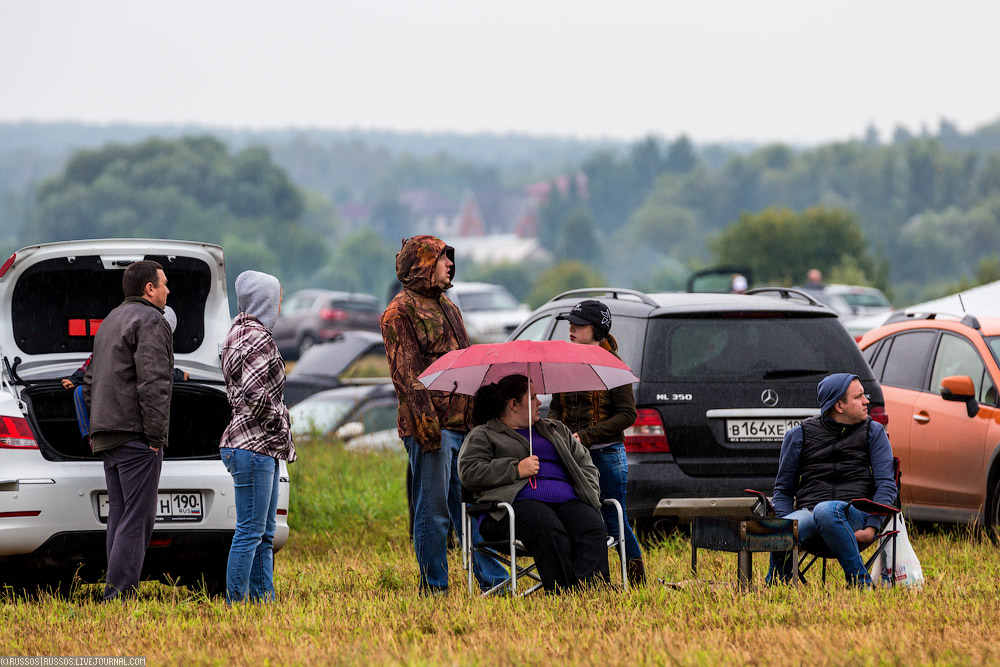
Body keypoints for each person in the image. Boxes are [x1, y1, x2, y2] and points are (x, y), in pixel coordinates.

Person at [379, 235, 508, 595]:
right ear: (422, 265)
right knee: (433, 514)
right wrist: (427, 430)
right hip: (430, 430)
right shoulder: (398, 312)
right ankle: (435, 587)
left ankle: (494, 581)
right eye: (441, 259)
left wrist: (482, 418)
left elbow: (467, 363)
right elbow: (407, 378)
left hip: (463, 427)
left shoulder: (450, 307)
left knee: (469, 509)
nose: (450, 265)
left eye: (449, 258)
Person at [458, 374, 611, 592]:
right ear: (513, 404)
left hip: (566, 502)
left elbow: (585, 462)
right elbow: (469, 472)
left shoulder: (555, 429)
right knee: (547, 525)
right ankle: (564, 592)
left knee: (590, 523)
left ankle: (592, 591)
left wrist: (588, 490)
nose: (539, 402)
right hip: (509, 510)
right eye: (532, 397)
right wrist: (515, 469)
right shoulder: (484, 434)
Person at [82, 260, 173, 600]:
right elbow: (154, 383)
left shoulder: (110, 321)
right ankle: (119, 596)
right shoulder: (150, 320)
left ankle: (114, 591)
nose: (167, 290)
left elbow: (88, 383)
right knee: (137, 519)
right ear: (149, 288)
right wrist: (155, 438)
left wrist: (100, 422)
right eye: (163, 284)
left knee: (120, 516)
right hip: (136, 437)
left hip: (106, 434)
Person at [767, 373, 895, 588]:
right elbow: (783, 490)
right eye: (859, 396)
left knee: (826, 510)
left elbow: (886, 484)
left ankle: (859, 582)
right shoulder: (799, 435)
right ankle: (780, 582)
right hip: (810, 516)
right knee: (793, 523)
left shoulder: (873, 432)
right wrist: (784, 522)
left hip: (855, 516)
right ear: (839, 406)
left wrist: (872, 527)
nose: (867, 401)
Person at [548, 299, 645, 585]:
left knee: (615, 519)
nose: (571, 330)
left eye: (578, 325)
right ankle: (591, 577)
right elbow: (557, 406)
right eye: (570, 324)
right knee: (582, 517)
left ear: (596, 330)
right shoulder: (564, 363)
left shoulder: (614, 365)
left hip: (607, 457)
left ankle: (638, 580)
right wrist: (554, 432)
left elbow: (628, 414)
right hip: (572, 457)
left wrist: (587, 436)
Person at [219, 270, 296, 604]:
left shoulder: (236, 332)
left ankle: (264, 600)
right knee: (251, 531)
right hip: (254, 442)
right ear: (265, 300)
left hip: (248, 443)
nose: (279, 304)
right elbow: (252, 390)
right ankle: (238, 602)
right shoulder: (259, 337)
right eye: (276, 297)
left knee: (263, 533)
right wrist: (278, 420)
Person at [62, 306, 188, 389]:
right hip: (114, 393)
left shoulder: (153, 347)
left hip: (122, 399)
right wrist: (77, 378)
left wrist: (176, 374)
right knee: (79, 394)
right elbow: (96, 361)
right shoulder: (125, 341)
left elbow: (156, 370)